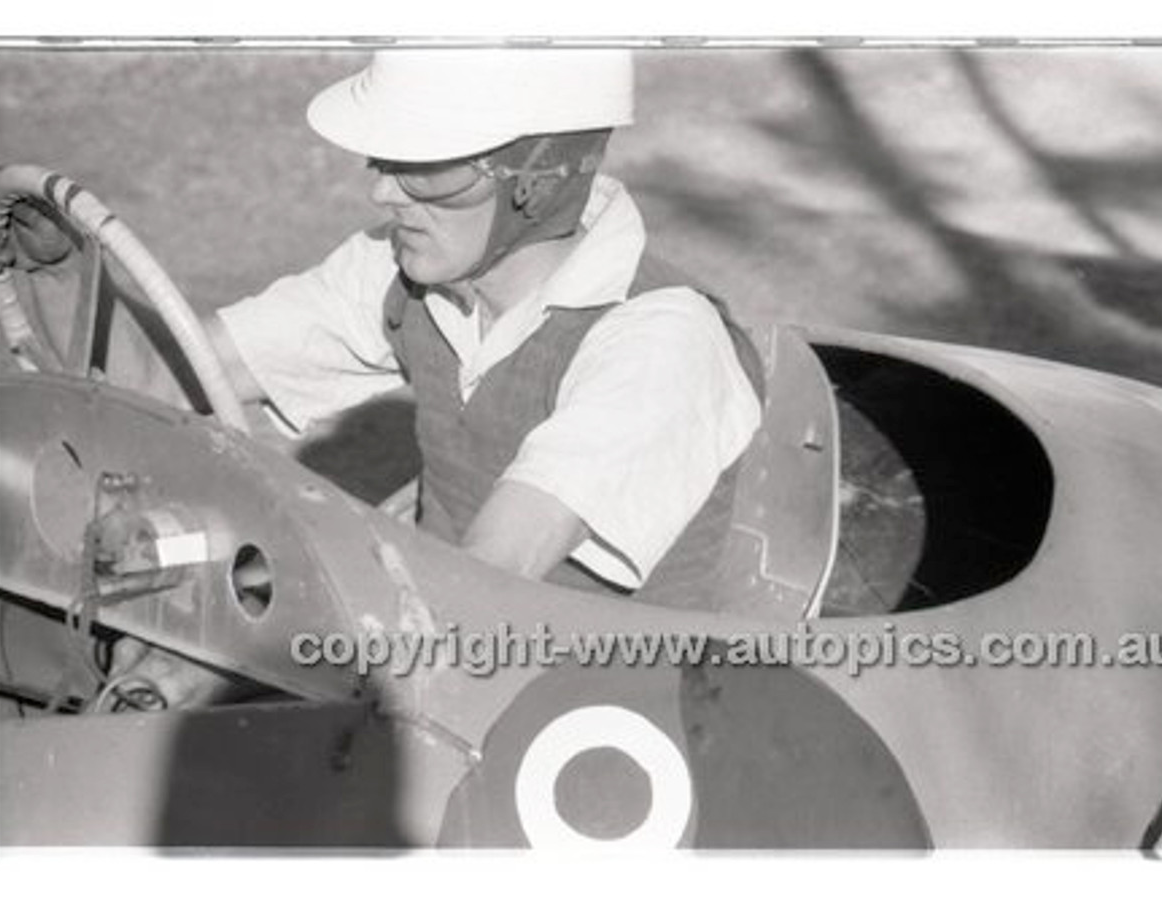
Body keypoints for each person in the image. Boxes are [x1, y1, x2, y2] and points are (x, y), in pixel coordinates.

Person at [203, 48, 764, 611]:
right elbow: (189, 363)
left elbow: (488, 575)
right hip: (432, 655)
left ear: (537, 182)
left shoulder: (659, 340)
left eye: (428, 167)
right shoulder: (408, 266)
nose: (384, 192)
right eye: (383, 156)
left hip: (587, 682)